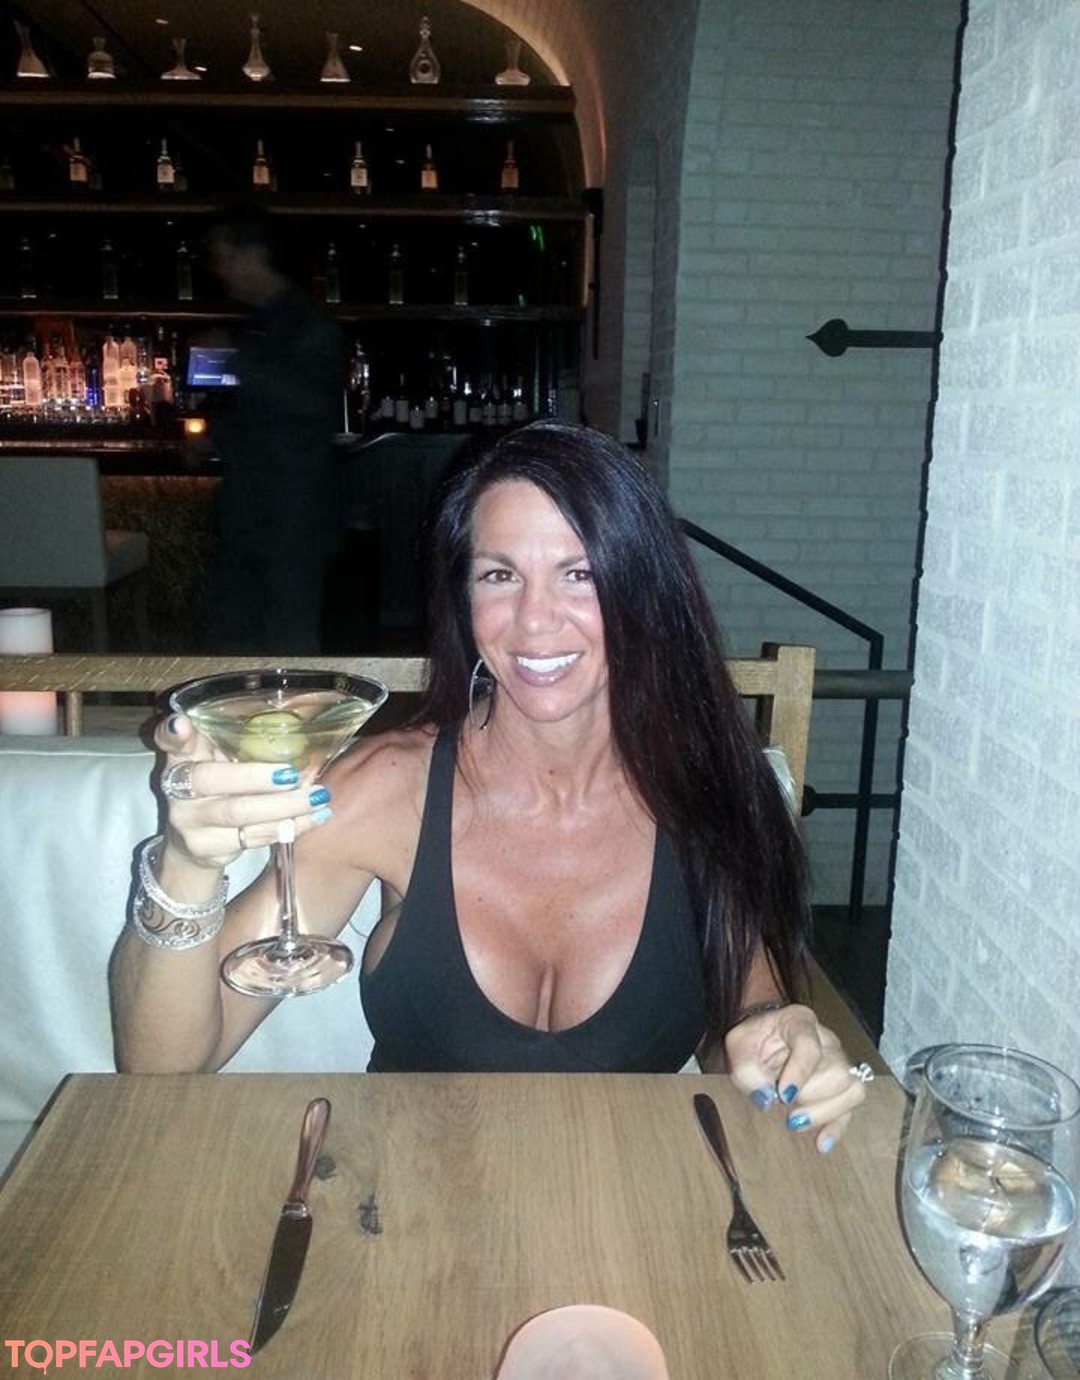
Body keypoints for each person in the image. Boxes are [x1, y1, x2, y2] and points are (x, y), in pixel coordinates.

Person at [111, 421, 868, 1151]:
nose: (534, 621)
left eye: (579, 573)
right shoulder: (389, 791)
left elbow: (747, 1010)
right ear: (464, 597)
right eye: (499, 575)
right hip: (399, 1205)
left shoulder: (710, 792)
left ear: (643, 590)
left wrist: (781, 1039)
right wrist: (186, 863)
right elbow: (166, 1065)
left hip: (626, 1206)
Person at [198, 205, 343, 653]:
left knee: (288, 643)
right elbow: (248, 412)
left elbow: (312, 405)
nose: (217, 268)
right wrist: (209, 438)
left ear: (254, 254)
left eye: (223, 256)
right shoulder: (252, 326)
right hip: (247, 512)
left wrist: (234, 361)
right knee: (232, 640)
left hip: (291, 518)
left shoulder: (312, 325)